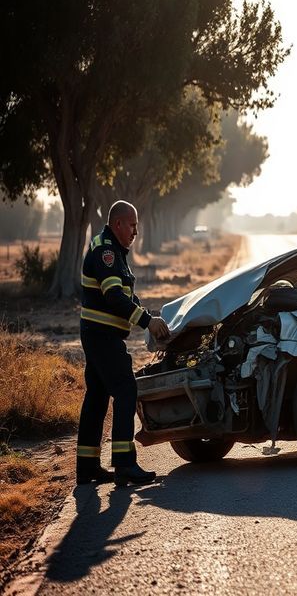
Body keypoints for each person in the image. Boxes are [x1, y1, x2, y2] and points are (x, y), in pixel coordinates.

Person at [76, 200, 170, 486]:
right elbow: (114, 296)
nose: (136, 232)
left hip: (98, 335)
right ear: (118, 224)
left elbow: (126, 294)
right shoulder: (106, 250)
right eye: (132, 225)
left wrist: (148, 315)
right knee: (126, 391)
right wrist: (147, 321)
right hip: (102, 336)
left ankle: (87, 467)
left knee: (97, 397)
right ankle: (125, 465)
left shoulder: (114, 250)